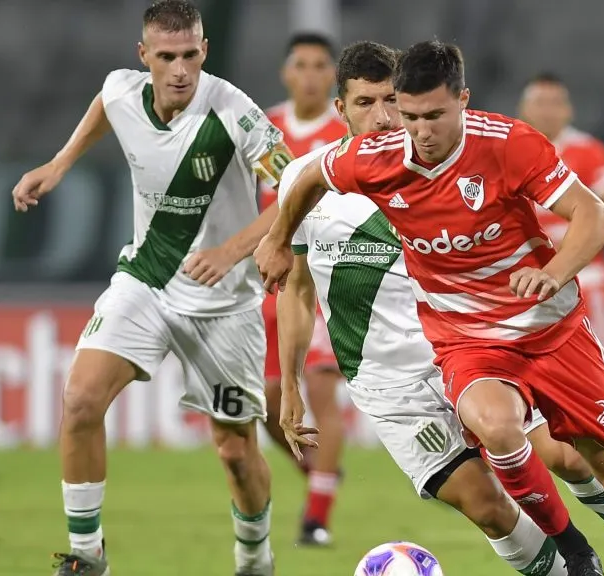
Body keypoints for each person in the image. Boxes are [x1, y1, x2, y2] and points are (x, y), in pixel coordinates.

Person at [256, 40, 604, 576]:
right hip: (393, 376)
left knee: (574, 458)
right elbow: (298, 288)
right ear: (340, 108)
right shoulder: (335, 173)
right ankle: (575, 563)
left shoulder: (483, 149)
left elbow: (596, 213)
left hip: (482, 338)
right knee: (488, 506)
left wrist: (551, 272)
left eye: (390, 103)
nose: (386, 119)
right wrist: (279, 249)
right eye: (365, 104)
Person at [11, 2, 290, 574]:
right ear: (145, 57)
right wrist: (60, 164)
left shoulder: (233, 110)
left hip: (225, 305)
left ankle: (255, 559)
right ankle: (88, 557)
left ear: (204, 51)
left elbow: (297, 187)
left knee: (236, 452)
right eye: (166, 57)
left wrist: (233, 250)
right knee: (81, 400)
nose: (180, 69)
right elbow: (105, 106)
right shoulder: (121, 91)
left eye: (190, 54)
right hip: (147, 279)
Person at [260, 32, 349, 547]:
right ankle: (322, 476)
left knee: (317, 388)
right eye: (302, 65)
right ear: (286, 73)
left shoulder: (345, 129)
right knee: (270, 405)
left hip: (324, 275)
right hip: (273, 279)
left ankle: (316, 518)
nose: (311, 74)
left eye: (321, 66)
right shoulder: (265, 129)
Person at [518, 72, 604, 359]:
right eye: (541, 102)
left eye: (556, 103)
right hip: (527, 276)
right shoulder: (512, 149)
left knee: (597, 357)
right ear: (524, 109)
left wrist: (579, 239)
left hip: (585, 274)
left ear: (569, 110)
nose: (548, 110)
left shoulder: (587, 150)